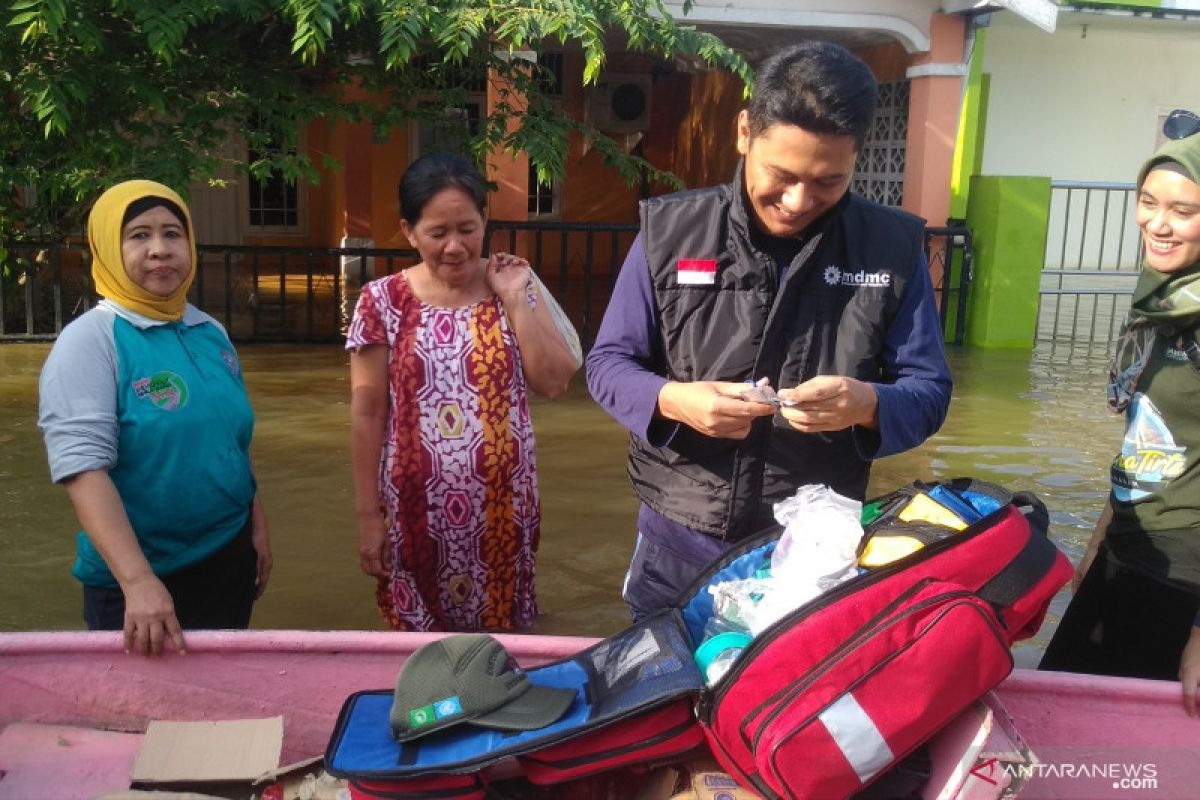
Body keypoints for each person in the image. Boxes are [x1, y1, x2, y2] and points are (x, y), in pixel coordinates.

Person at [585, 40, 953, 621]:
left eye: (827, 181)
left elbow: (929, 390)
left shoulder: (893, 247)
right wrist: (673, 399)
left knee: (791, 702)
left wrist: (868, 403)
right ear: (743, 133)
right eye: (780, 174)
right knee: (668, 693)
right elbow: (608, 364)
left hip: (814, 549)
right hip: (679, 538)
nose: (798, 200)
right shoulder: (671, 233)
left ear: (857, 157)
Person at [38, 179, 272, 657]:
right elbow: (83, 471)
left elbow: (232, 440)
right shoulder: (91, 341)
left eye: (172, 233)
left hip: (228, 555)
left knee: (220, 708)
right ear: (107, 247)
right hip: (140, 582)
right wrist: (138, 581)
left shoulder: (208, 330)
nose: (160, 250)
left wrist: (256, 527)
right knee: (144, 726)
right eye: (139, 236)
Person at [347, 153, 579, 632]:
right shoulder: (381, 302)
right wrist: (369, 517)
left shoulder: (513, 284)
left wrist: (515, 296)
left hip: (503, 515)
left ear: (485, 221)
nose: (455, 246)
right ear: (409, 231)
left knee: (503, 648)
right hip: (413, 518)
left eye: (467, 229)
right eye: (437, 233)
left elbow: (555, 382)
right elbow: (367, 414)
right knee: (419, 659)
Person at [1039, 114, 1200, 716]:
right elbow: (1144, 437)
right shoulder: (1162, 301)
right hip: (1126, 552)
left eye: (1182, 211)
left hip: (1183, 578)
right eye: (1148, 202)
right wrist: (1097, 544)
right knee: (1062, 736)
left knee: (1129, 762)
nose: (1157, 224)